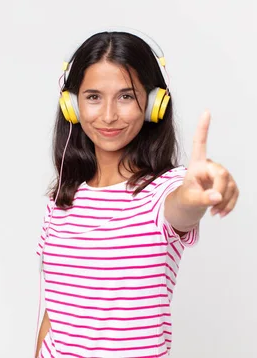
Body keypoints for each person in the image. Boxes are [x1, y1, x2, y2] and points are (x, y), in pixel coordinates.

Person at [34, 28, 239, 358]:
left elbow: (182, 206)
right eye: (93, 97)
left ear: (152, 104)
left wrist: (197, 189)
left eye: (126, 96)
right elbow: (54, 314)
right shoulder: (60, 203)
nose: (109, 115)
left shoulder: (163, 192)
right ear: (72, 106)